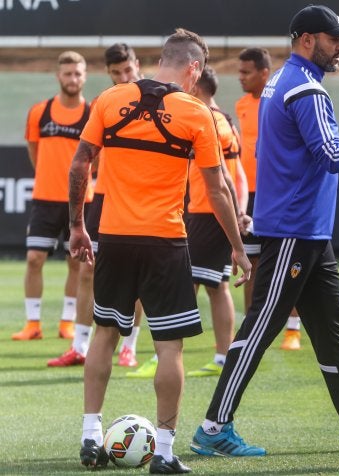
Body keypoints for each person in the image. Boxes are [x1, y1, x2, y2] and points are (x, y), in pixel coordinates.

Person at [190, 4, 339, 456]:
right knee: (260, 328)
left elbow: (319, 153)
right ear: (306, 40)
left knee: (330, 330)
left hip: (307, 233)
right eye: (334, 39)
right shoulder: (305, 89)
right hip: (295, 230)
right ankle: (214, 429)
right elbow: (331, 155)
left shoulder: (283, 80)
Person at [69, 28, 251, 474]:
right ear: (193, 69)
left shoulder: (111, 99)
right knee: (170, 348)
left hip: (113, 235)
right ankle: (165, 452)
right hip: (166, 241)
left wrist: (77, 225)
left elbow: (80, 163)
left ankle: (90, 437)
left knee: (105, 334)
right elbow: (219, 189)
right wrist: (239, 249)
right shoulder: (196, 112)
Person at [47, 43, 145, 367]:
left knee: (140, 274)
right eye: (116, 72)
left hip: (144, 199)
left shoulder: (155, 99)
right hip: (105, 198)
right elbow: (88, 157)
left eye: (127, 70)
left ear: (137, 64)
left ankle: (129, 345)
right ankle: (79, 345)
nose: (122, 77)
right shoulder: (104, 103)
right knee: (87, 270)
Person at [14, 51, 92, 342]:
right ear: (58, 76)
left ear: (85, 76)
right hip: (45, 198)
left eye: (78, 73)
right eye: (68, 73)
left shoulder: (91, 114)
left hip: (82, 200)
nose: (73, 78)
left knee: (76, 263)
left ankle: (67, 323)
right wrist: (50, 177)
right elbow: (34, 152)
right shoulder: (39, 112)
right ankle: (32, 323)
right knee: (34, 258)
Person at [236, 47, 303, 351]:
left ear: (264, 73)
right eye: (239, 72)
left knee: (288, 261)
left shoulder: (280, 98)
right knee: (251, 262)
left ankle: (292, 329)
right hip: (249, 194)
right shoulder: (241, 105)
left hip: (275, 192)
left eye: (246, 72)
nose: (241, 78)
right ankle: (253, 325)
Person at [187, 65, 249, 377]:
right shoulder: (225, 119)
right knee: (217, 286)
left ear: (195, 87)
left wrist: (236, 211)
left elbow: (225, 175)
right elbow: (238, 173)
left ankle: (166, 355)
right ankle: (224, 357)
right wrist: (240, 210)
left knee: (187, 284)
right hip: (215, 211)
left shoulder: (208, 120)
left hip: (206, 211)